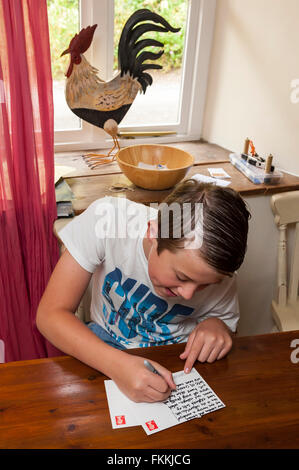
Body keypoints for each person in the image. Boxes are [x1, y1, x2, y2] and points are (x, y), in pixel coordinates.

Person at [36, 179, 250, 403]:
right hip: (103, 343)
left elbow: (226, 324)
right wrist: (118, 365)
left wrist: (216, 326)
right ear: (153, 234)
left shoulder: (217, 270)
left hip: (179, 355)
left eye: (206, 285)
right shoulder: (108, 219)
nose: (188, 295)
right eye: (181, 277)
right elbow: (50, 315)